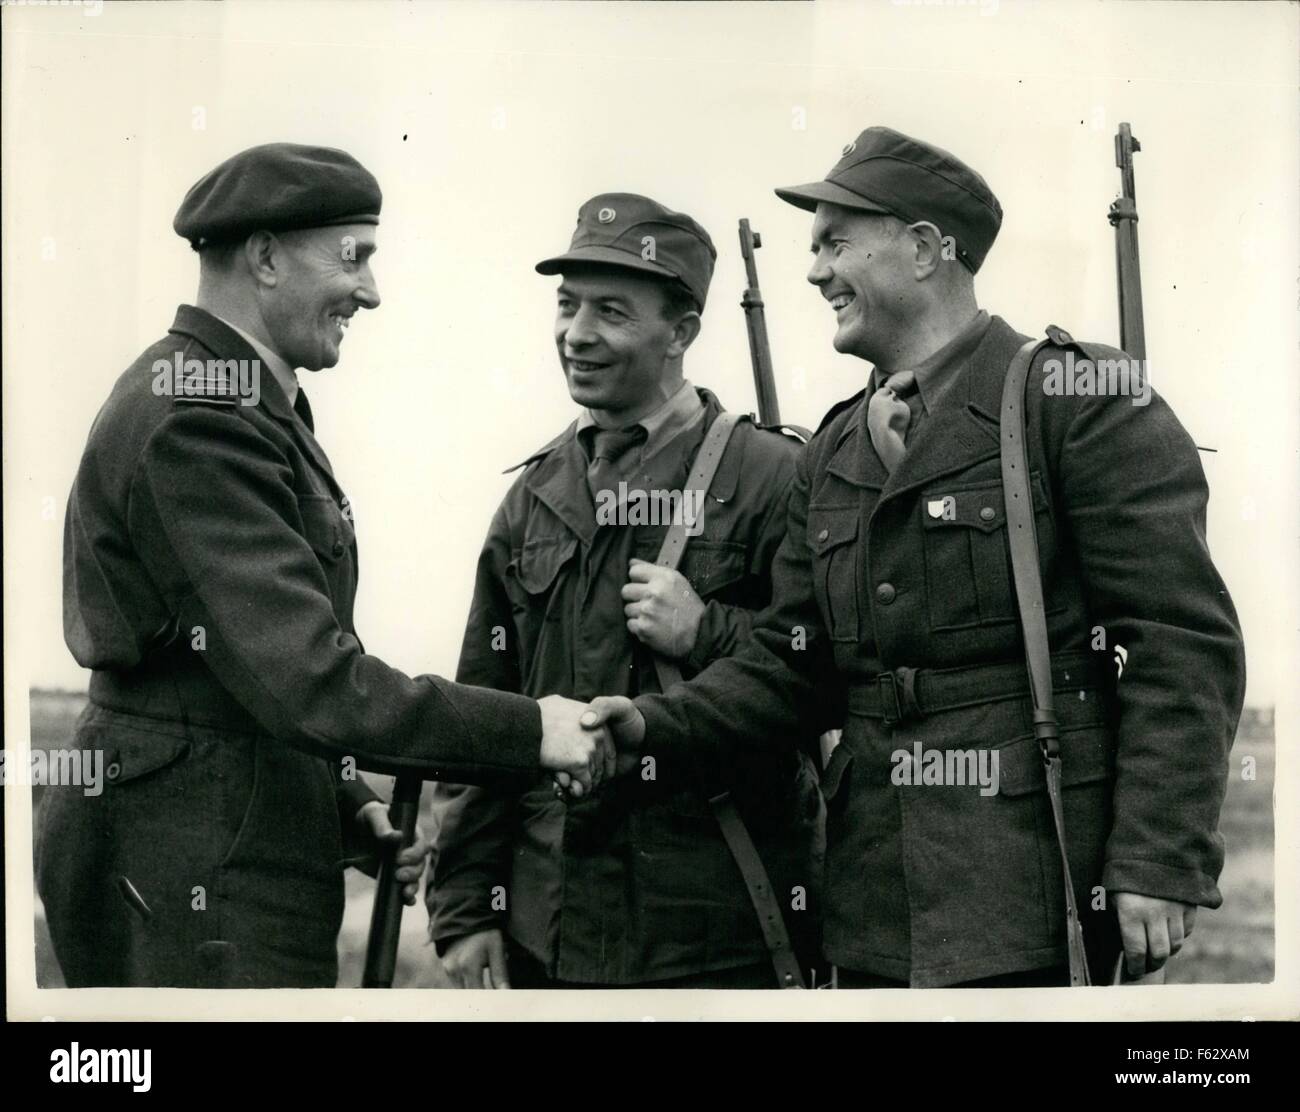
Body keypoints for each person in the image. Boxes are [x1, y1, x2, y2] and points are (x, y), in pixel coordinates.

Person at [587, 128, 1247, 987]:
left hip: (1032, 892)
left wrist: (1158, 858)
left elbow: (1179, 641)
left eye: (834, 243)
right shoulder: (831, 450)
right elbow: (792, 665)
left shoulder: (1075, 399)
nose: (815, 272)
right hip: (870, 907)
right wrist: (647, 725)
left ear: (928, 248)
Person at [41, 142, 611, 989]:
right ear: (266, 256)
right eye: (356, 257)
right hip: (194, 862)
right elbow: (308, 678)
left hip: (214, 832)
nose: (372, 292)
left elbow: (229, 677)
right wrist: (532, 731)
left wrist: (349, 807)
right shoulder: (200, 417)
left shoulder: (237, 397)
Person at [427, 193, 824, 989]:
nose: (577, 334)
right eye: (568, 306)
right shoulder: (533, 493)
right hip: (553, 928)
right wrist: (468, 905)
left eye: (611, 310)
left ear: (681, 332)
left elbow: (819, 676)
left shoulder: (775, 477)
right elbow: (485, 708)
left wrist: (708, 630)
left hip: (714, 933)